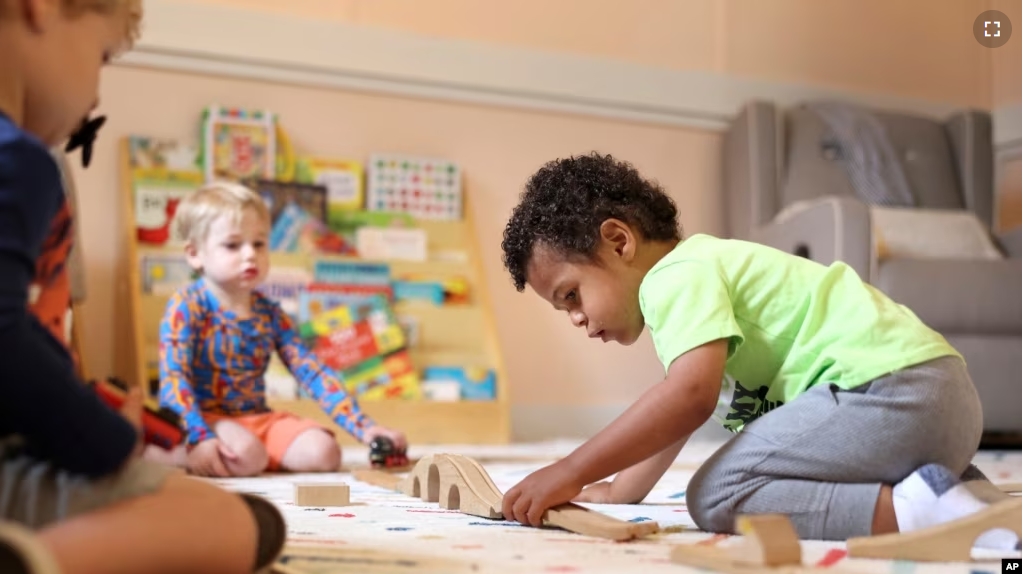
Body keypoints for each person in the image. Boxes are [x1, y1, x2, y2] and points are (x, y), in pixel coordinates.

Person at [497, 152, 1016, 548]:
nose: (578, 320)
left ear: (618, 241)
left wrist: (571, 470)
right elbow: (676, 412)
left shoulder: (675, 277)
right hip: (944, 404)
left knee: (718, 493)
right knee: (776, 463)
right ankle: (971, 504)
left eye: (572, 296)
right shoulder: (704, 283)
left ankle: (915, 515)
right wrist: (618, 492)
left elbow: (688, 399)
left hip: (888, 394)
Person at [0, 0, 285, 572]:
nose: (98, 95)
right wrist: (103, 438)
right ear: (41, 8)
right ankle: (33, 558)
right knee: (244, 520)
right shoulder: (20, 160)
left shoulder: (268, 312)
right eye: (103, 57)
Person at [151, 182, 407, 477]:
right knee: (248, 455)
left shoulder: (269, 313)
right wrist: (197, 436)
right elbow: (174, 379)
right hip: (200, 419)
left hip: (257, 419)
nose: (250, 254)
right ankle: (167, 450)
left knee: (325, 453)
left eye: (258, 244)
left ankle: (248, 456)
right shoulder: (186, 306)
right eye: (233, 245)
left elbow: (312, 373)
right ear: (195, 254)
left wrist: (366, 428)